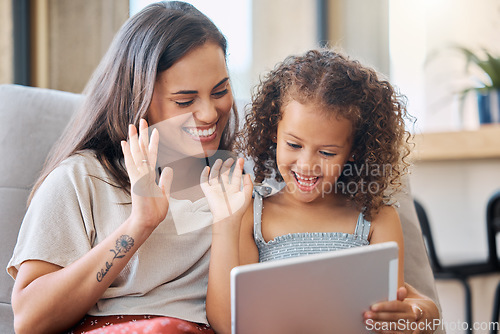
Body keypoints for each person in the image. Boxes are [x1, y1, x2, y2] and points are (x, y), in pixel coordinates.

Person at [7, 1, 238, 333]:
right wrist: (138, 225)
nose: (209, 114)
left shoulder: (236, 184)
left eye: (220, 91)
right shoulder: (81, 179)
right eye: (185, 101)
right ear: (138, 99)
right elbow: (29, 320)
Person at [201, 49, 440, 334]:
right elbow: (227, 323)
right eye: (294, 145)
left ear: (354, 151)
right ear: (274, 132)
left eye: (326, 152)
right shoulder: (253, 215)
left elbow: (398, 309)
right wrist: (224, 224)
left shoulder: (376, 218)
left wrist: (422, 313)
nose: (306, 165)